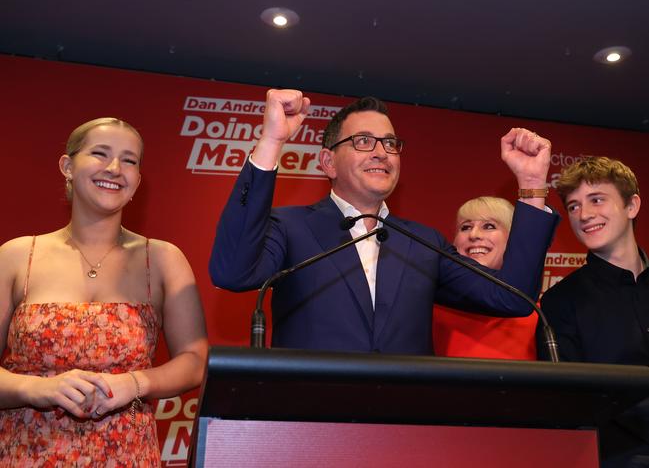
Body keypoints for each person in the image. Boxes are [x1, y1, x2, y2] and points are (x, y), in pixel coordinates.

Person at [210, 89, 558, 354]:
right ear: (328, 163)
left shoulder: (423, 243)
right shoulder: (291, 227)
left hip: (403, 432)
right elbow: (233, 272)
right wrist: (272, 140)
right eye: (363, 141)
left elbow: (513, 298)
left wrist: (531, 185)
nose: (381, 152)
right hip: (311, 431)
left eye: (390, 143)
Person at [0, 118, 208, 466]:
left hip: (129, 456)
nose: (114, 168)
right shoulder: (18, 256)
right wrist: (38, 389)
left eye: (129, 160)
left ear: (137, 181)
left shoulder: (161, 259)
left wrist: (135, 383)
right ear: (67, 166)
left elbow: (196, 361)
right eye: (100, 154)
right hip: (25, 454)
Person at [536, 156, 648, 467]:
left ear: (632, 206)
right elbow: (568, 404)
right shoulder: (559, 303)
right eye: (573, 206)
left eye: (596, 199)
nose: (584, 215)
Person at [434, 197, 537, 359]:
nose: (474, 235)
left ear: (513, 241)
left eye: (489, 226)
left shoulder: (536, 314)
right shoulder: (428, 309)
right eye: (465, 227)